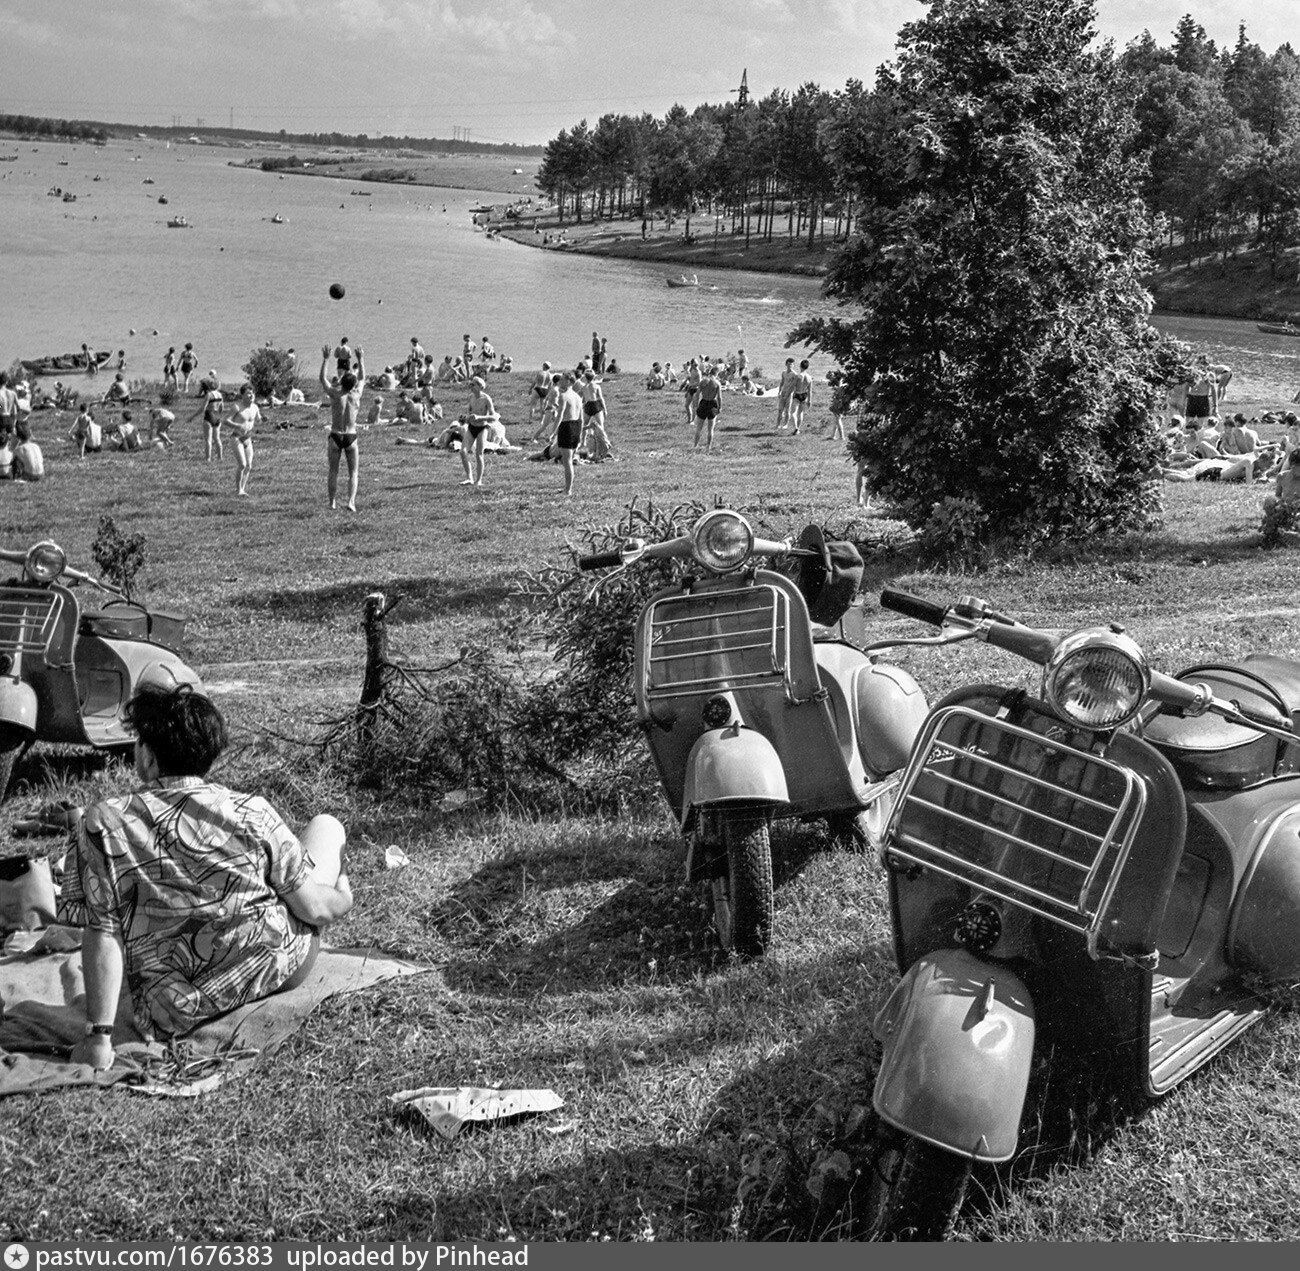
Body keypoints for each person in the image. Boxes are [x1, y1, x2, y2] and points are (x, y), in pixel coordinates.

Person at [60, 683, 353, 1069]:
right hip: (272, 967)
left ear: (147, 756)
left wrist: (99, 1039)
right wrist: (343, 897)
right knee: (326, 826)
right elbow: (314, 909)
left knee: (77, 962)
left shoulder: (102, 823)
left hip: (169, 1007)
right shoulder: (252, 810)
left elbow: (102, 931)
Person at [319, 341, 365, 512]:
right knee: (354, 472)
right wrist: (360, 359)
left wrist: (326, 359)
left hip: (336, 435)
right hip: (351, 436)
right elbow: (362, 378)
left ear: (341, 382)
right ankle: (351, 502)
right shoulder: (356, 394)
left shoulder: (335, 394)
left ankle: (332, 502)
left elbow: (323, 379)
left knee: (333, 471)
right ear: (352, 385)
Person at [460, 377, 498, 487]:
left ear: (480, 387)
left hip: (483, 427)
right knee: (463, 451)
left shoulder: (486, 399)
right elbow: (471, 412)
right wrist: (467, 418)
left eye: (473, 385)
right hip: (472, 427)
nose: (471, 387)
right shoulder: (471, 397)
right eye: (470, 385)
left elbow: (493, 417)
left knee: (479, 453)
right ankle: (469, 478)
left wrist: (479, 418)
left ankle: (479, 480)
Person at [227, 383, 260, 497]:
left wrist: (263, 420)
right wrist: (237, 426)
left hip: (248, 438)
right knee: (242, 465)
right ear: (242, 395)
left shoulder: (255, 407)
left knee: (249, 466)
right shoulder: (237, 407)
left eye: (252, 393)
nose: (251, 396)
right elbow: (225, 420)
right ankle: (238, 490)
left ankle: (242, 489)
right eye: (248, 394)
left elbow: (258, 419)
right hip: (236, 437)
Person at [554, 372, 583, 497]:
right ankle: (567, 487)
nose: (560, 381)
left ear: (569, 381)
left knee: (567, 461)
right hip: (576, 426)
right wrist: (581, 434)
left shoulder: (563, 396)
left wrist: (552, 432)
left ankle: (568, 490)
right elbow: (581, 418)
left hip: (567, 427)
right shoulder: (577, 396)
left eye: (562, 379)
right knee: (567, 460)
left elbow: (560, 415)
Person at [580, 371, 612, 460]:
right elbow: (601, 398)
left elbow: (583, 400)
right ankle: (603, 442)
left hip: (588, 405)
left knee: (584, 425)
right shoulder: (597, 386)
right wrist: (604, 409)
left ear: (586, 378)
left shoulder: (584, 387)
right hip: (596, 405)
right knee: (600, 426)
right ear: (593, 377)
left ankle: (583, 442)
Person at [193, 379, 225, 461]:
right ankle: (220, 457)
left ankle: (208, 458)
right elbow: (222, 408)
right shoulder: (220, 395)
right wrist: (219, 415)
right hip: (217, 416)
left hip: (209, 416)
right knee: (217, 439)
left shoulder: (209, 395)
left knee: (208, 439)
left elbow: (202, 408)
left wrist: (193, 416)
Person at [693, 362, 723, 452]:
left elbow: (697, 394)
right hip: (712, 403)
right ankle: (708, 447)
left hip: (704, 402)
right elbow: (719, 397)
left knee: (699, 427)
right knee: (711, 428)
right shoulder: (717, 383)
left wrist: (695, 405)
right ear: (716, 374)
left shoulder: (703, 381)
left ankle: (695, 445)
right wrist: (720, 407)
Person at [789, 359, 813, 434]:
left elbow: (792, 386)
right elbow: (810, 391)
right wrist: (809, 400)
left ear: (800, 366)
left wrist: (787, 394)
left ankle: (795, 427)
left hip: (797, 394)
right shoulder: (809, 377)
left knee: (793, 412)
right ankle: (798, 429)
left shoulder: (798, 376)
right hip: (804, 395)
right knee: (801, 413)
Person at [775, 358, 796, 431]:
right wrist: (779, 391)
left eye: (792, 364)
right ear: (786, 364)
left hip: (789, 393)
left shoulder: (794, 374)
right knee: (780, 409)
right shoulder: (783, 372)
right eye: (789, 364)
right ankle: (777, 424)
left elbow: (794, 385)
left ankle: (785, 424)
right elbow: (782, 382)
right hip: (783, 392)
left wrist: (791, 393)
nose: (790, 365)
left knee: (787, 410)